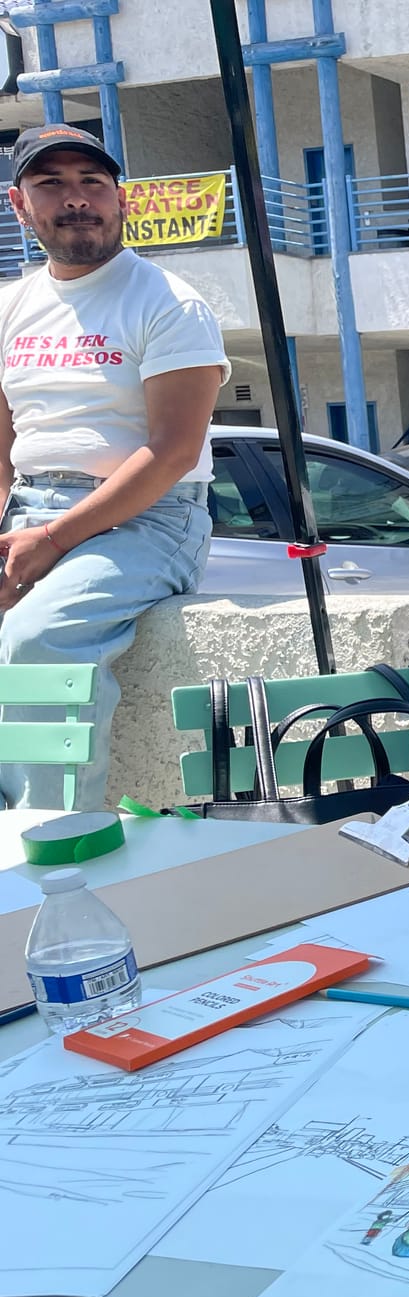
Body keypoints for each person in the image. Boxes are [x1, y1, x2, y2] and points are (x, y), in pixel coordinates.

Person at [0, 124, 228, 812]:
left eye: (92, 183)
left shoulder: (168, 301)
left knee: (40, 642)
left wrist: (51, 540)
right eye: (53, 184)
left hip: (149, 520)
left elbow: (173, 452)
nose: (76, 200)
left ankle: (52, 846)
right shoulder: (11, 306)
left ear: (120, 200)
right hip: (29, 511)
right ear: (19, 204)